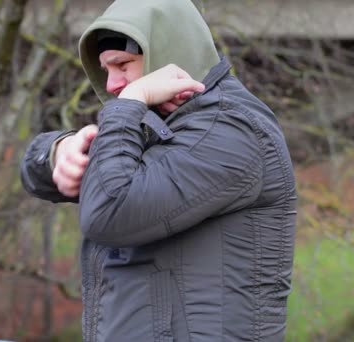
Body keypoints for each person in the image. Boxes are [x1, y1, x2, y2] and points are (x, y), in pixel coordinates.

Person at [20, 0, 297, 340]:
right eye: (106, 70)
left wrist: (131, 103)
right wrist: (59, 149)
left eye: (123, 65)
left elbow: (109, 211)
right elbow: (33, 173)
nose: (111, 85)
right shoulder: (156, 126)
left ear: (168, 55)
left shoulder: (232, 133)